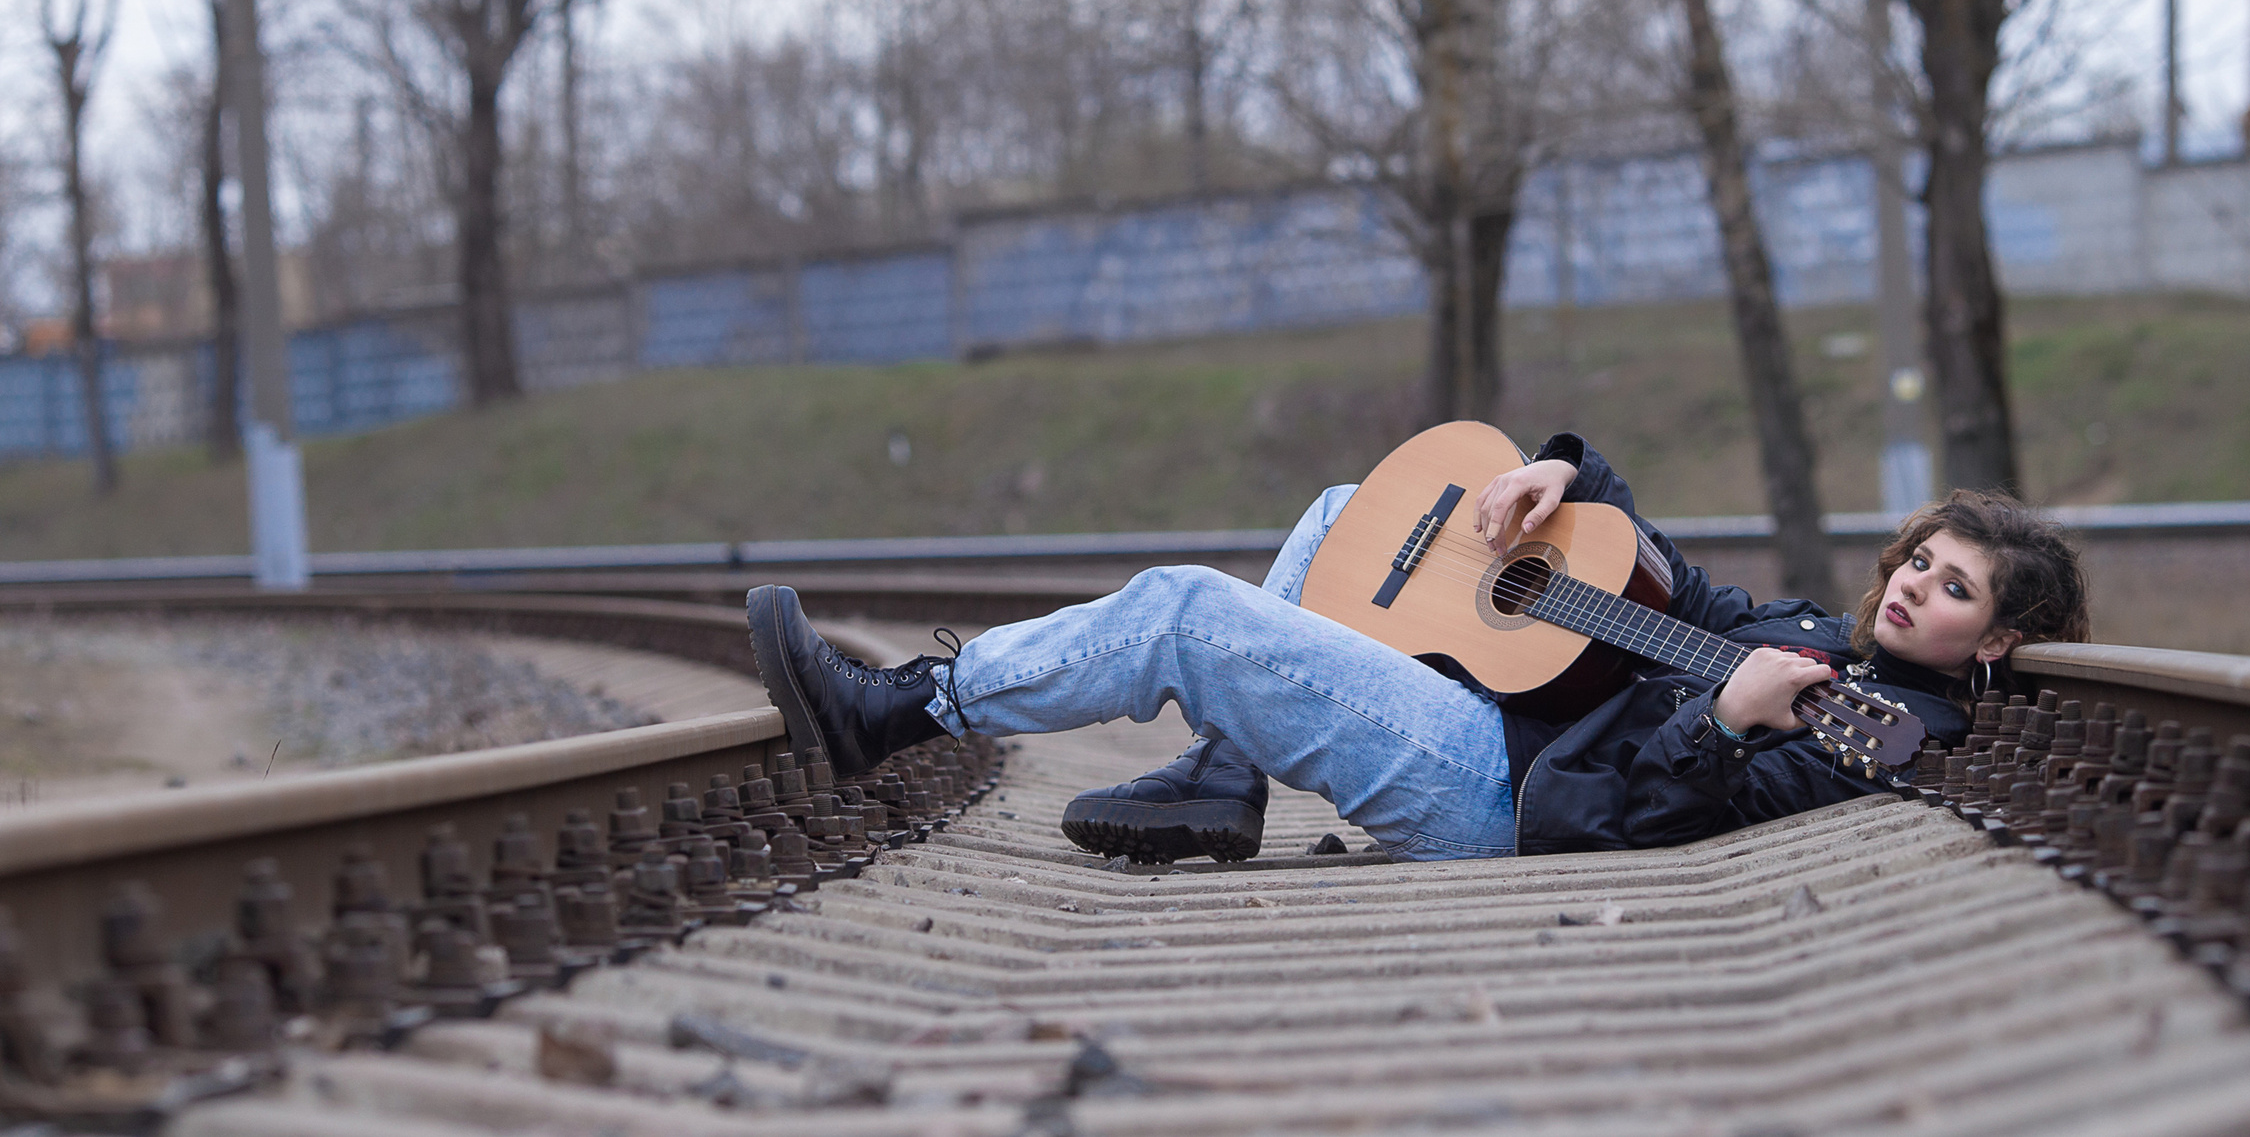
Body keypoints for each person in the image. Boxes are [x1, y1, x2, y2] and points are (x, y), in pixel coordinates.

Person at [746, 432, 2092, 864]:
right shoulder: (1811, 632)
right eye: (1920, 557)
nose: (1915, 588)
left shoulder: (1894, 736)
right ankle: (1223, 770)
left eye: (1956, 586)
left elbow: (1642, 815)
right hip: (1514, 728)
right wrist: (1560, 475)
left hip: (1507, 795)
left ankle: (903, 706)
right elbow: (1673, 590)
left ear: (2002, 638)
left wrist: (1727, 722)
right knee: (1357, 518)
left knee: (1185, 608)